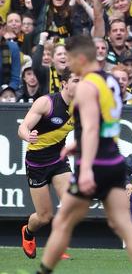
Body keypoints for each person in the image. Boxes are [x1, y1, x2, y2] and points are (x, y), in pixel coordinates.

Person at [36, 35, 132, 274]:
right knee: (123, 224)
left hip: (95, 164)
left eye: (69, 60)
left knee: (62, 222)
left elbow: (89, 127)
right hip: (114, 160)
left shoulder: (87, 85)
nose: (68, 67)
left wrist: (85, 168)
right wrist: (76, 146)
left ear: (80, 57)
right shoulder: (110, 81)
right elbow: (107, 124)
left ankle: (42, 272)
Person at [18, 68, 78, 259]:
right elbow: (23, 127)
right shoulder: (46, 102)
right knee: (44, 216)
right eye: (76, 80)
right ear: (64, 84)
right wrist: (29, 136)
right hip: (37, 163)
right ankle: (28, 232)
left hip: (58, 160)